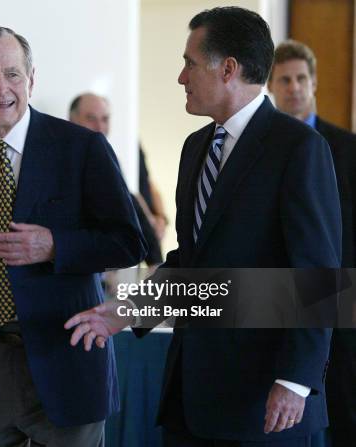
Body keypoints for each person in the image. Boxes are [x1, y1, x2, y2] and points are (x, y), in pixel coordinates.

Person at [66, 7, 340, 446]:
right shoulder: (196, 148)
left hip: (266, 404)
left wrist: (295, 380)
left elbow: (318, 276)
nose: (181, 77)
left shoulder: (299, 149)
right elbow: (191, 262)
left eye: (189, 63)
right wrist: (128, 310)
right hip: (192, 399)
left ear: (228, 68)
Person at [0, 26, 146, 447]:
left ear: (31, 79)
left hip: (67, 357)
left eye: (12, 74)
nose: (1, 88)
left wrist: (55, 245)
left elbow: (129, 242)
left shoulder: (82, 148)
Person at [268, 39, 356, 447]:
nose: (294, 87)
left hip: (345, 298)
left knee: (344, 401)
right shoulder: (262, 149)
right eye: (284, 79)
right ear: (271, 86)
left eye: (302, 78)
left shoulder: (348, 149)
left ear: (314, 82)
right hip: (280, 301)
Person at [69, 92, 163, 265]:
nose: (99, 127)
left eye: (105, 119)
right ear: (72, 120)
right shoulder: (61, 158)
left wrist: (155, 260)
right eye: (91, 118)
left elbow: (128, 200)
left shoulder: (108, 158)